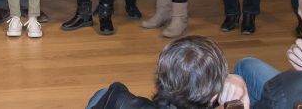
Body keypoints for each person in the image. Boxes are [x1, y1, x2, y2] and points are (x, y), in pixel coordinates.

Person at [86, 35, 244, 109]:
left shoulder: (123, 100)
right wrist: (237, 79)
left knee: (103, 93)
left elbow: (113, 96)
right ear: (215, 98)